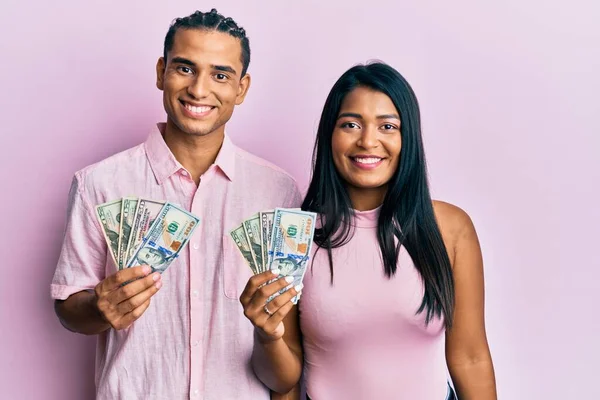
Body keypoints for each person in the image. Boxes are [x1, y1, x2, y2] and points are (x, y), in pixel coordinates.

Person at [52, 9, 302, 399]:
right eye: (185, 68)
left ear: (242, 88)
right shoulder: (97, 184)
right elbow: (68, 308)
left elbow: (284, 353)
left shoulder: (279, 192)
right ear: (160, 72)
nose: (199, 90)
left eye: (220, 75)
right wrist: (98, 309)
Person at [240, 62, 497, 399]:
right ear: (329, 134)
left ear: (408, 139)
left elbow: (471, 357)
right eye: (351, 124)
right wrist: (266, 334)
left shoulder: (450, 229)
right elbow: (283, 381)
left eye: (387, 126)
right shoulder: (293, 236)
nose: (368, 141)